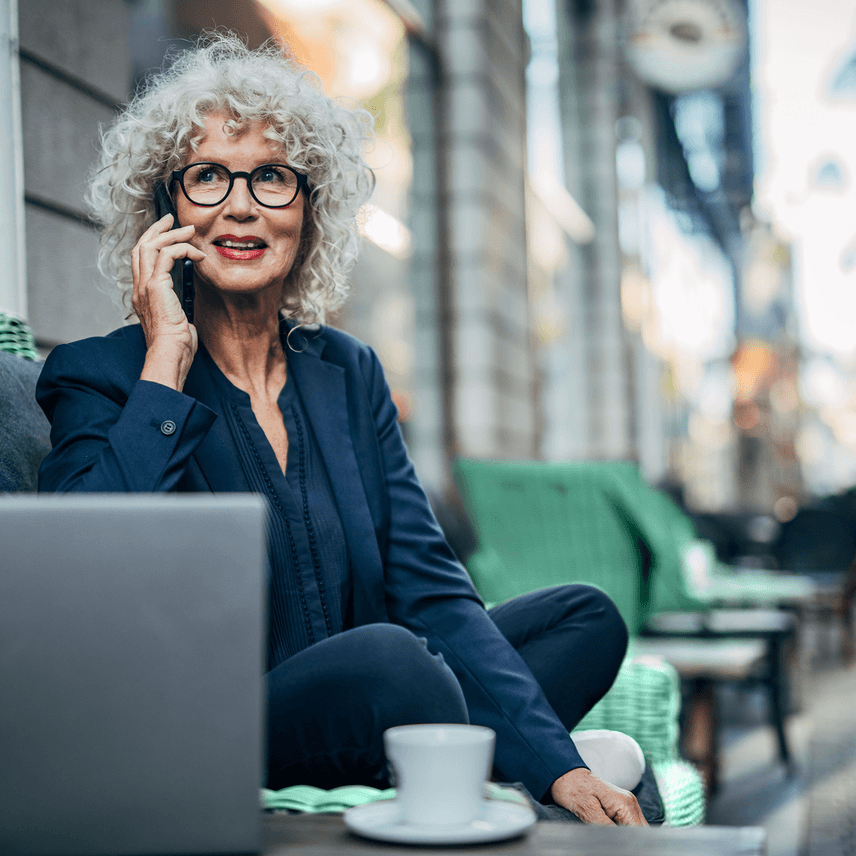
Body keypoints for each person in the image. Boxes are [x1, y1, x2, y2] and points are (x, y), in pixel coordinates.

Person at [36, 34, 645, 826]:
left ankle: (507, 767)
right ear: (167, 210)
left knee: (583, 617)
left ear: (308, 213)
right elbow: (81, 578)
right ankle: (485, 764)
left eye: (273, 177)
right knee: (397, 661)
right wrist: (166, 360)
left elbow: (431, 585)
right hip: (218, 723)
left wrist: (562, 768)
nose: (242, 204)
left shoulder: (347, 372)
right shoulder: (101, 373)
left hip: (380, 690)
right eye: (209, 176)